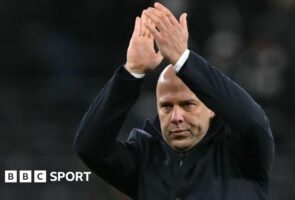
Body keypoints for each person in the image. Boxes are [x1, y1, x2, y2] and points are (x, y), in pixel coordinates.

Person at [74, 2, 274, 200]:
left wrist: (184, 60)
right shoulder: (146, 159)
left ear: (212, 108)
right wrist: (131, 72)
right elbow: (90, 148)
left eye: (188, 105)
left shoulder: (240, 155)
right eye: (166, 106)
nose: (176, 117)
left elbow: (253, 122)